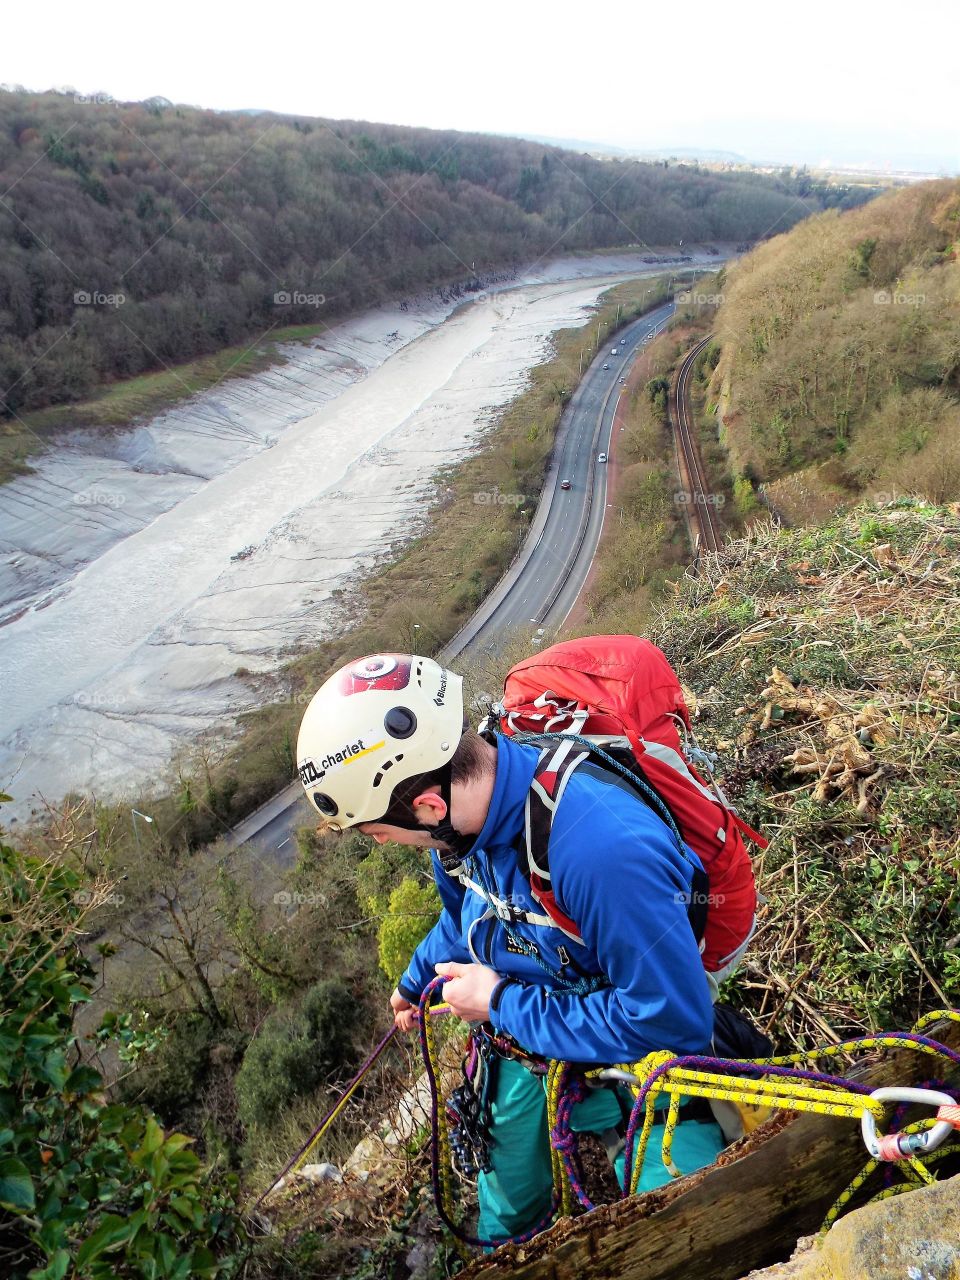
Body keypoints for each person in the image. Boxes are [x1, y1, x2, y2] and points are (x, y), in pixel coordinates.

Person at [297, 652, 727, 1241]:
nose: (387, 843)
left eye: (378, 831)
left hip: (633, 1039)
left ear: (428, 805)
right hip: (531, 1021)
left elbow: (670, 1021)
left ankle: (622, 1142)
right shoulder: (460, 831)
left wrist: (500, 1003)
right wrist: (414, 980)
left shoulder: (601, 852)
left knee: (679, 1215)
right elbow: (471, 919)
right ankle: (513, 1243)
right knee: (506, 1196)